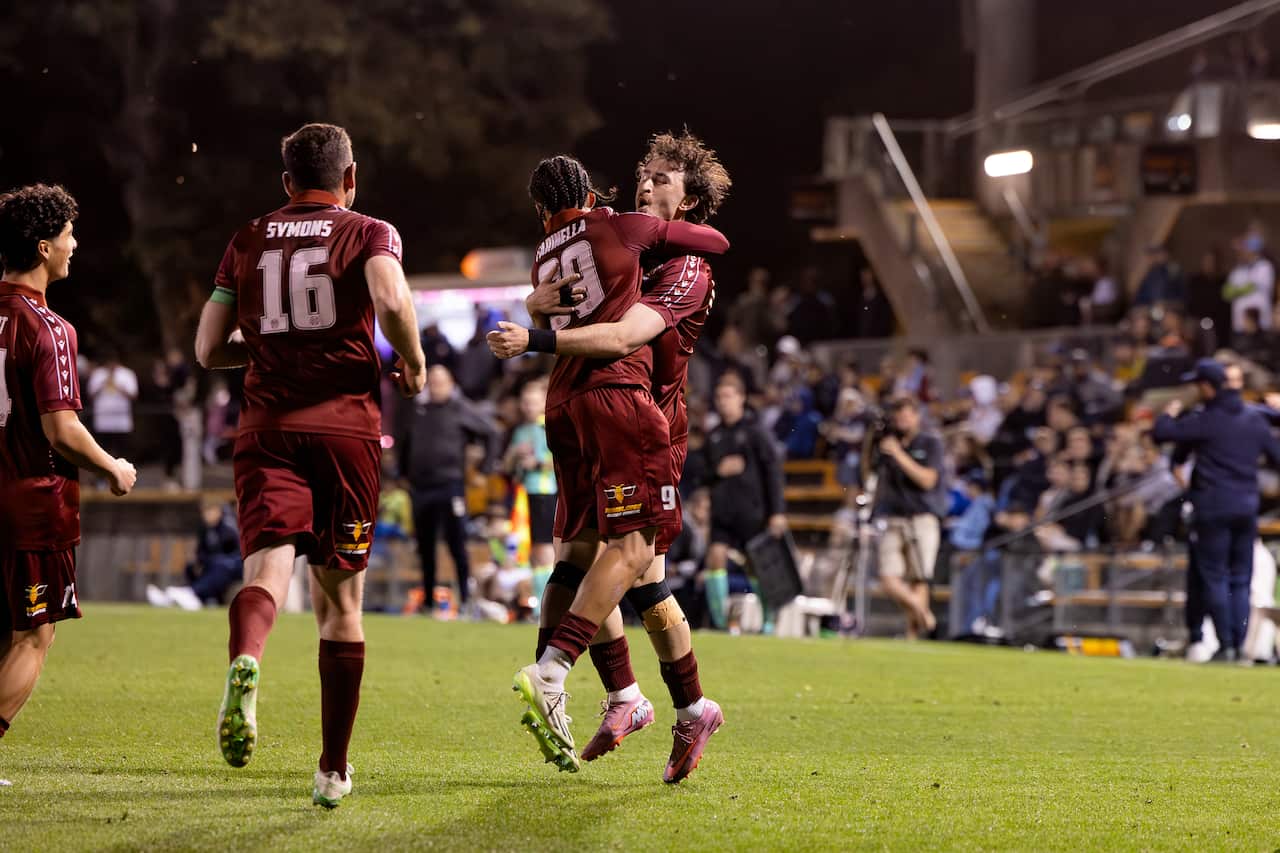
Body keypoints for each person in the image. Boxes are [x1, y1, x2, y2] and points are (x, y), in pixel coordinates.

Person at [194, 123, 427, 807]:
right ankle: (331, 769)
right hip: (345, 432)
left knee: (267, 569)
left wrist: (272, 346)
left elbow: (208, 349)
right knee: (341, 606)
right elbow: (391, 299)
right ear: (349, 178)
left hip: (267, 429)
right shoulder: (370, 231)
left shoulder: (248, 237)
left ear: (287, 181)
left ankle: (248, 657)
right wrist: (412, 361)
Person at [490, 132, 731, 781]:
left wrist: (535, 332)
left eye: (664, 178)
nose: (646, 184)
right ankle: (649, 700)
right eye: (644, 174)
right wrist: (536, 301)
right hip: (599, 409)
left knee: (638, 576)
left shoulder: (686, 268)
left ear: (691, 199)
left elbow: (623, 334)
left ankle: (643, 696)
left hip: (649, 420)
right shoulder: (630, 244)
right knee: (604, 564)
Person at [0, 184, 137, 758]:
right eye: (67, 234)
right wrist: (112, 466)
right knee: (34, 635)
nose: (73, 244)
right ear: (43, 247)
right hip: (31, 506)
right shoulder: (48, 328)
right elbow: (61, 429)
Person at [1152, 359, 1280, 663]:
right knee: (1241, 578)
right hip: (1247, 507)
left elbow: (1162, 433)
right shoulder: (1254, 417)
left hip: (1212, 507)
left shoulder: (1206, 418)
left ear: (1207, 387)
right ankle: (1238, 644)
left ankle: (1227, 646)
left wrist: (1169, 412)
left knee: (1216, 577)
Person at [396, 364, 497, 612]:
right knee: (425, 544)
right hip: (421, 488)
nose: (436, 386)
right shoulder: (417, 410)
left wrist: (484, 470)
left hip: (450, 485)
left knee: (456, 542)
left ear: (451, 384)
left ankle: (464, 598)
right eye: (433, 381)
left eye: (441, 382)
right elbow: (403, 442)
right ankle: (428, 601)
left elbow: (491, 432)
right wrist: (402, 473)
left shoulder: (460, 408)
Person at [699, 374, 787, 630]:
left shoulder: (756, 432)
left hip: (752, 512)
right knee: (715, 556)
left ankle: (768, 621)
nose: (723, 401)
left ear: (741, 398)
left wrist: (777, 511)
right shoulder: (713, 436)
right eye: (719, 397)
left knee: (756, 566)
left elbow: (773, 471)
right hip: (722, 513)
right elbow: (701, 474)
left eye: (728, 396)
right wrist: (718, 471)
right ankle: (721, 623)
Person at [867, 395, 947, 639]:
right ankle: (925, 615)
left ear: (917, 416)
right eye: (897, 417)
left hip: (922, 516)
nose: (901, 421)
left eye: (906, 416)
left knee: (918, 578)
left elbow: (928, 480)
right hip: (892, 517)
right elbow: (871, 475)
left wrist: (899, 454)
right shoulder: (886, 444)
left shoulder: (930, 443)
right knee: (888, 578)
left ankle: (912, 636)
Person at [505, 378, 557, 614]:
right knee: (534, 551)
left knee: (544, 549)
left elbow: (563, 460)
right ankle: (539, 603)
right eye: (525, 402)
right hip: (523, 495)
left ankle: (548, 606)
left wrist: (537, 462)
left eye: (533, 402)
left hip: (544, 493)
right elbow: (507, 467)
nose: (528, 407)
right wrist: (515, 455)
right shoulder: (521, 430)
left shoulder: (550, 427)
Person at [146, 498, 242, 611]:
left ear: (218, 512)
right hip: (214, 563)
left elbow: (234, 553)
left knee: (220, 565)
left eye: (210, 511)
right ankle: (179, 597)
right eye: (205, 512)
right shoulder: (205, 530)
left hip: (233, 566)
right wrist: (200, 562)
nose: (207, 515)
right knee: (191, 566)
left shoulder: (228, 528)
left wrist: (209, 561)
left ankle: (191, 593)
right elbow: (201, 551)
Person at [87, 349, 138, 469]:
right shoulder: (98, 374)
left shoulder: (127, 374)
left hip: (121, 420)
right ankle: (101, 475)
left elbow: (134, 395)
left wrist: (118, 386)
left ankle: (125, 473)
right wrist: (103, 384)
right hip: (103, 420)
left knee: (122, 450)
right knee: (102, 450)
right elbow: (90, 395)